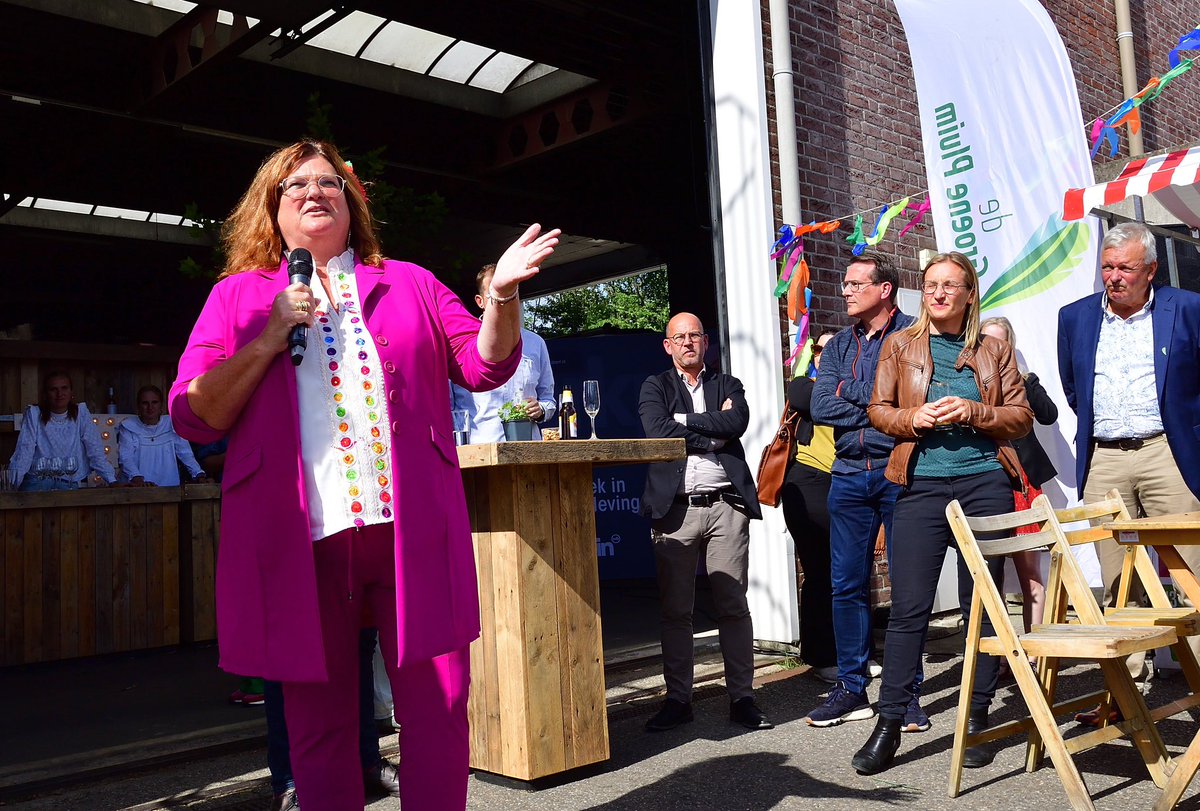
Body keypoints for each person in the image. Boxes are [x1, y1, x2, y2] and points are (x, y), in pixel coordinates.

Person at [168, 138, 559, 809]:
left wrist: (501, 295)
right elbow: (193, 413)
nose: (314, 191)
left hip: (409, 534)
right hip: (303, 544)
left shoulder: (409, 281)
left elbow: (484, 365)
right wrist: (267, 337)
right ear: (273, 210)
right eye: (296, 185)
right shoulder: (236, 298)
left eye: (329, 182)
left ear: (352, 205)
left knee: (438, 709)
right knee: (318, 728)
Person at [850, 251, 1032, 775]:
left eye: (950, 285)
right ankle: (888, 724)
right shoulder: (899, 346)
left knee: (983, 604)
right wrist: (913, 416)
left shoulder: (995, 351)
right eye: (931, 285)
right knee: (909, 609)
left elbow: (1019, 418)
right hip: (921, 485)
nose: (938, 293)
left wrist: (976, 412)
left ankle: (976, 717)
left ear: (970, 293)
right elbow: (879, 411)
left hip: (983, 482)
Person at [1057, 221, 1200, 714]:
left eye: (1126, 268)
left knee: (1192, 573)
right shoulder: (1074, 318)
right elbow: (1076, 391)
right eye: (1108, 267)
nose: (1114, 277)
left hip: (1169, 453)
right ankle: (1127, 693)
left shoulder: (1188, 308)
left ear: (1151, 270)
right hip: (1105, 458)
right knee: (1119, 581)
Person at [638, 312, 772, 732]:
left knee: (732, 604)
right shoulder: (655, 386)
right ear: (667, 346)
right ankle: (679, 700)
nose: (687, 343)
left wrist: (685, 423)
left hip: (725, 507)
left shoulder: (727, 384)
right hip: (675, 511)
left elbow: (738, 423)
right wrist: (712, 433)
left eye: (694, 335)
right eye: (679, 337)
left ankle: (743, 698)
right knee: (677, 609)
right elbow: (657, 430)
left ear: (705, 342)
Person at [807, 251, 917, 729]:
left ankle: (904, 693)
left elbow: (914, 402)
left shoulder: (914, 335)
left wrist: (858, 399)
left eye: (856, 283)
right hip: (848, 473)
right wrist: (877, 406)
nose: (846, 291)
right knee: (845, 585)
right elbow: (818, 404)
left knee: (909, 587)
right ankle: (852, 688)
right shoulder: (835, 347)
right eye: (846, 284)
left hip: (900, 470)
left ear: (884, 289)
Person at [980, 317, 1057, 637]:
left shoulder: (1022, 382)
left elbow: (1049, 415)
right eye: (988, 342)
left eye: (1001, 344)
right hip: (984, 480)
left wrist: (1026, 381)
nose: (995, 350)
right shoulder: (967, 380)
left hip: (1022, 484)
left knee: (1031, 575)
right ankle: (999, 656)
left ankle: (1035, 653)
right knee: (988, 575)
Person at [780, 329, 838, 682]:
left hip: (845, 481)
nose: (824, 353)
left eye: (834, 348)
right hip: (809, 482)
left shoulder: (855, 386)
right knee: (821, 571)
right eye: (818, 348)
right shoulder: (804, 386)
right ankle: (821, 655)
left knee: (851, 574)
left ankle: (854, 653)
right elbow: (808, 396)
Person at [451, 264, 556, 442]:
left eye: (510, 293)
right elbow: (447, 408)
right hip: (479, 452)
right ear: (480, 302)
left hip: (528, 452)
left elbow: (549, 399)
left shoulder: (535, 343)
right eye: (494, 294)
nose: (503, 299)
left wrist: (541, 410)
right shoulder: (461, 343)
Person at [8, 371, 116, 490]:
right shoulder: (34, 414)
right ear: (45, 394)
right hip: (38, 481)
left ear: (71, 392)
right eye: (53, 389)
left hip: (68, 482)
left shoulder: (80, 413)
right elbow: (24, 452)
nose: (59, 393)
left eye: (64, 388)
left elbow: (95, 450)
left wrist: (112, 480)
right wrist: (12, 485)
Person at [118, 385, 208, 486]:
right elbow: (126, 457)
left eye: (154, 402)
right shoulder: (128, 426)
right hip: (138, 488)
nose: (150, 407)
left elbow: (185, 453)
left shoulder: (171, 424)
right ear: (138, 406)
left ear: (161, 405)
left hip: (169, 487)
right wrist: (136, 477)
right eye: (145, 403)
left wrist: (198, 473)